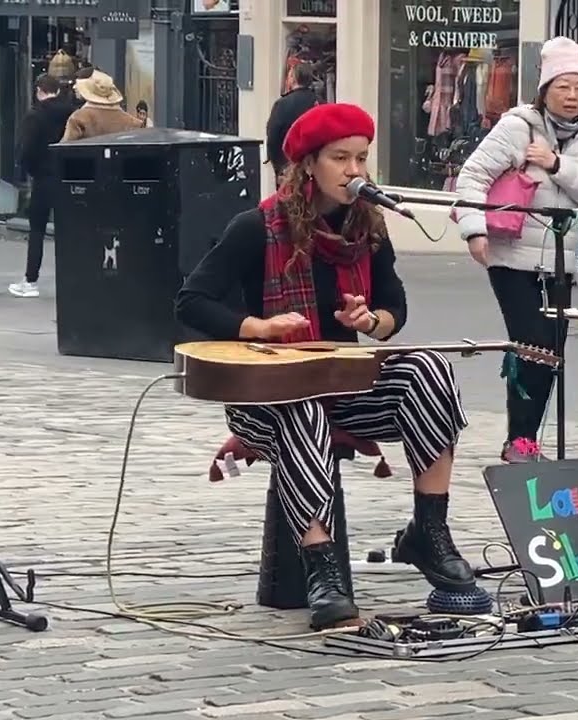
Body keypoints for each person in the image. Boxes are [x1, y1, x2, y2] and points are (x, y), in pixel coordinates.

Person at [175, 103, 474, 630]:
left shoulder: (369, 229)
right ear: (308, 164)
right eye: (340, 158)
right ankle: (323, 569)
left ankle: (428, 531)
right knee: (302, 408)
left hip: (342, 385)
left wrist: (371, 320)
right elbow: (191, 301)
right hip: (267, 397)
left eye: (361, 158)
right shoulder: (257, 227)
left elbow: (393, 309)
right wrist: (258, 327)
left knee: (429, 369)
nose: (355, 170)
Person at [454, 36, 578, 463]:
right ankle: (519, 438)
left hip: (560, 260)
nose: (572, 96)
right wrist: (473, 230)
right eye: (564, 87)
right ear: (545, 89)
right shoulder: (516, 126)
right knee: (531, 346)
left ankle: (527, 438)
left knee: (552, 351)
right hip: (513, 256)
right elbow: (472, 177)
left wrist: (557, 164)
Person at [10, 74, 74, 299]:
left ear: (39, 90)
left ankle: (31, 280)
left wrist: (30, 169)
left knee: (37, 230)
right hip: (68, 178)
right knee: (69, 231)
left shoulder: (35, 116)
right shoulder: (72, 113)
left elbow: (26, 150)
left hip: (44, 178)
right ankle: (72, 279)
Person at [265, 63, 320, 180]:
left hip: (287, 165)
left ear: (293, 79)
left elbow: (273, 135)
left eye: (289, 76)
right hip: (313, 167)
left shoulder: (282, 104)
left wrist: (276, 163)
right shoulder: (319, 102)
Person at [59, 70, 141, 142]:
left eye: (78, 85)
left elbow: (63, 148)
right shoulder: (133, 122)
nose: (74, 87)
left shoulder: (79, 118)